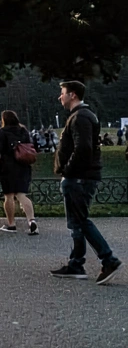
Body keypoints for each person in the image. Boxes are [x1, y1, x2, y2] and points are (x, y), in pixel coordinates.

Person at [51, 81, 121, 284]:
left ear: (72, 95)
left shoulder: (80, 116)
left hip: (79, 178)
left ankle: (108, 259)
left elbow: (83, 148)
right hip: (81, 176)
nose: (59, 97)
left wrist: (68, 171)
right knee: (76, 223)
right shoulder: (82, 116)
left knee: (80, 220)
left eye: (62, 93)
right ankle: (76, 264)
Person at [0, 110, 37, 235]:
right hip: (23, 165)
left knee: (9, 196)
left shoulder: (3, 132)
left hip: (7, 167)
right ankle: (31, 221)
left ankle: (11, 224)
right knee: (22, 195)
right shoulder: (23, 131)